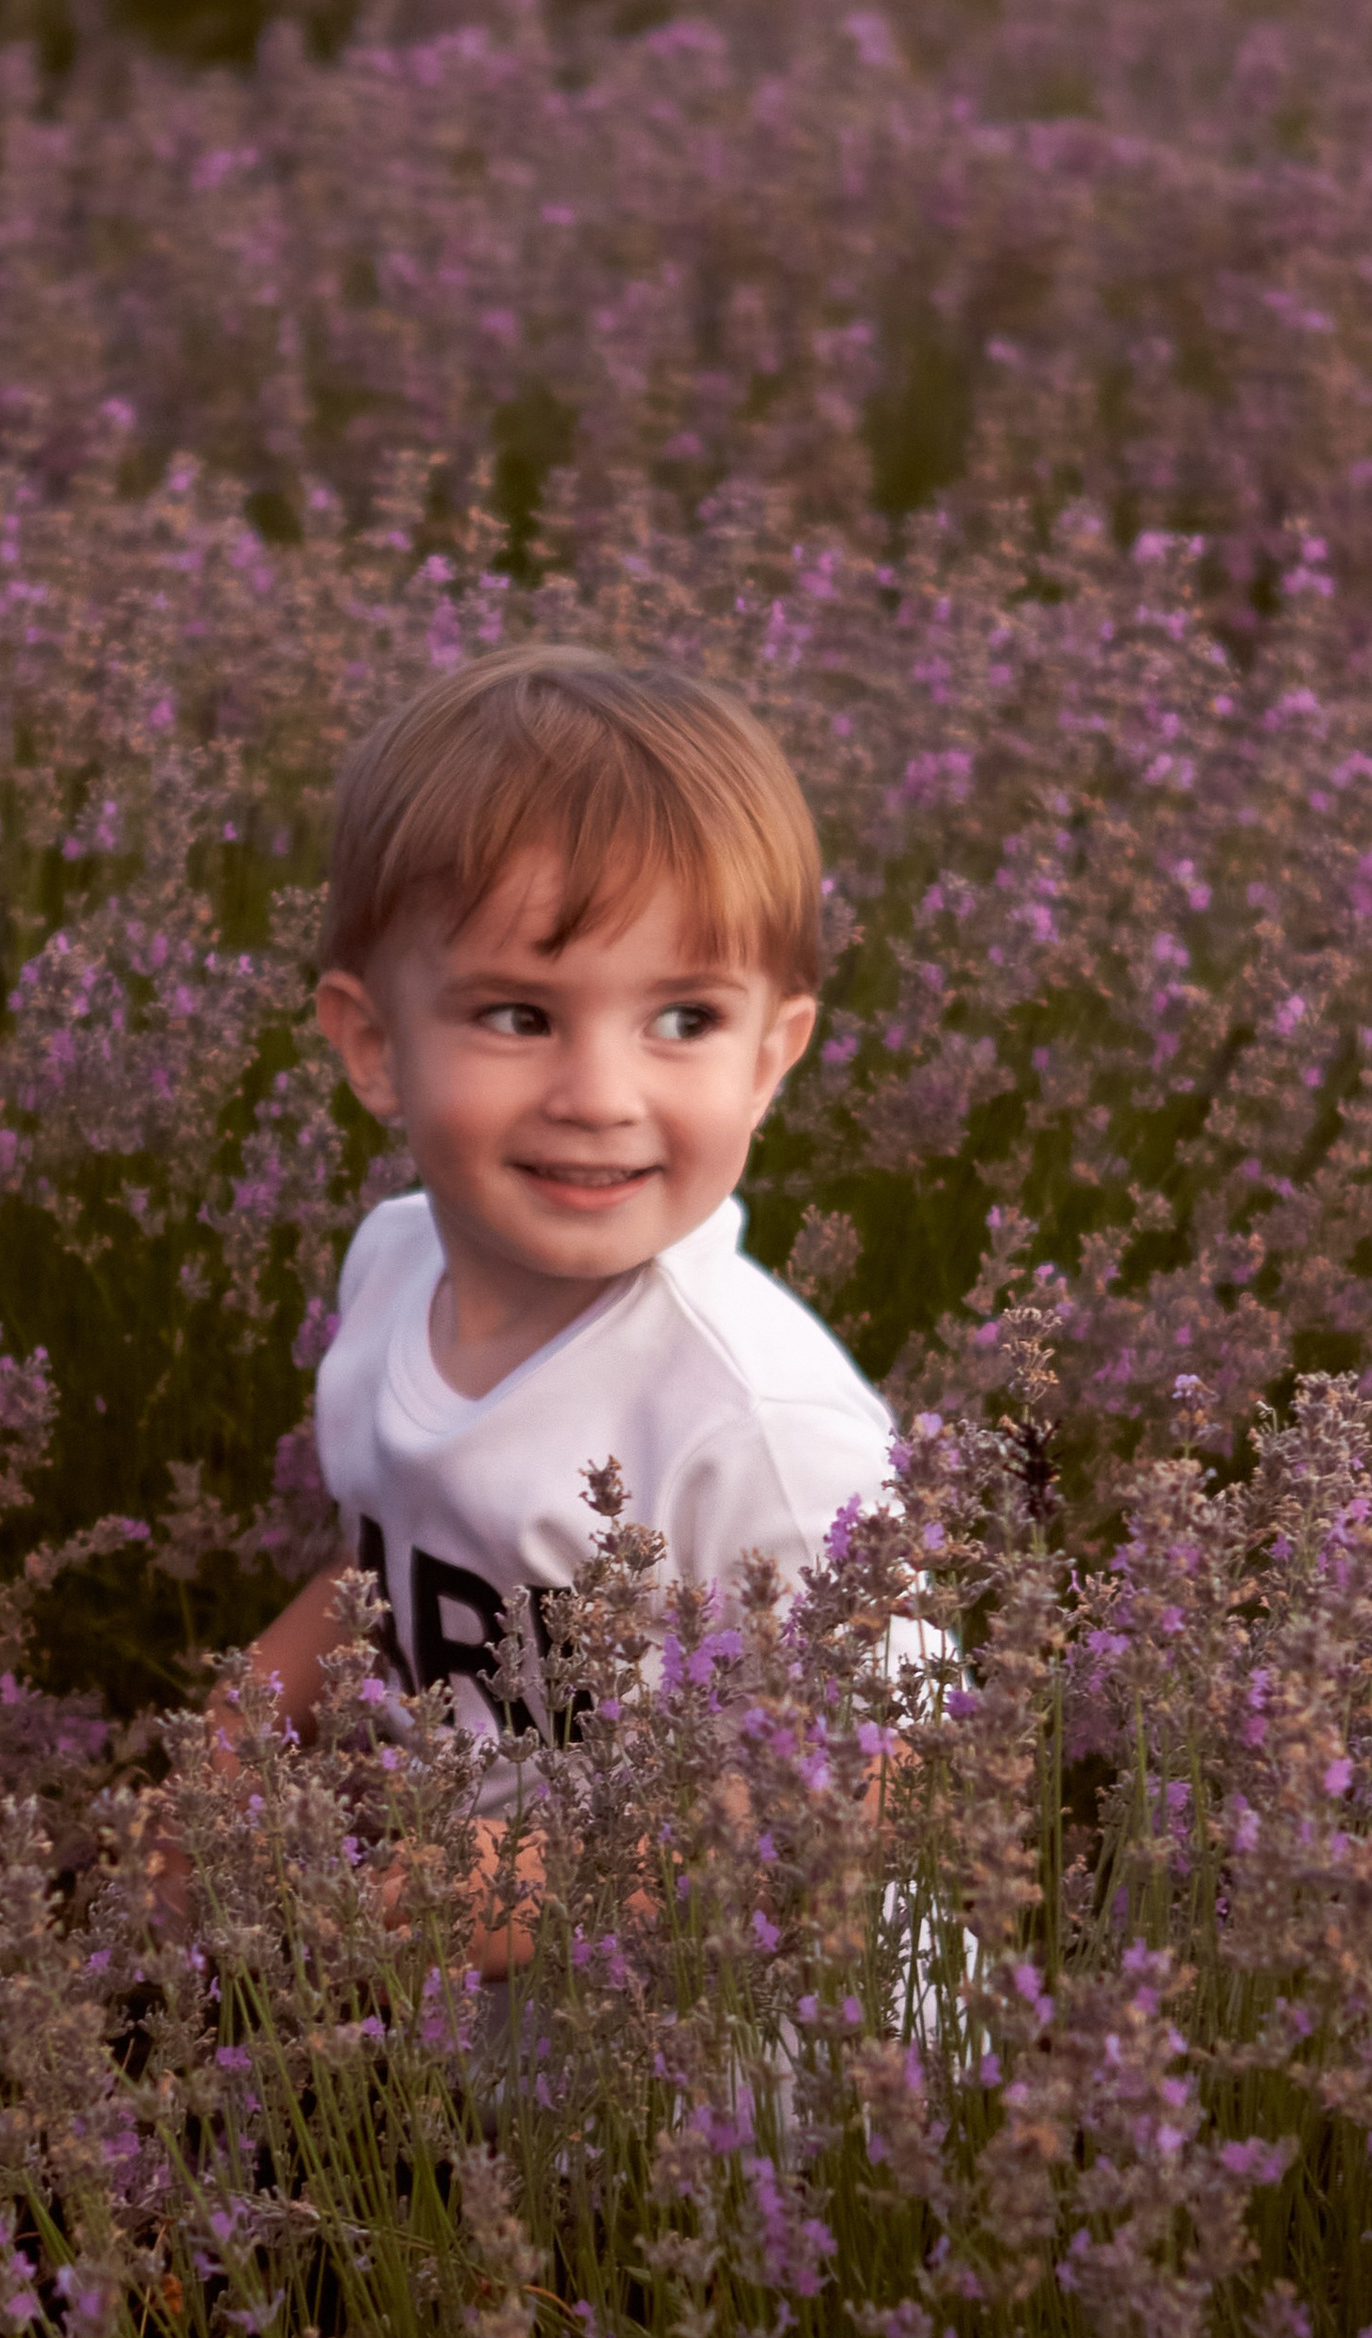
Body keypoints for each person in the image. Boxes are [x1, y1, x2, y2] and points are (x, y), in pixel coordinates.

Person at [199, 642, 909, 1983]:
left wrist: (562, 1881)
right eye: (519, 1014)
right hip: (488, 2039)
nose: (599, 1092)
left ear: (774, 1058)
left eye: (683, 1019)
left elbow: (894, 1776)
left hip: (752, 2081)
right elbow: (395, 1564)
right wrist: (235, 1738)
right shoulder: (395, 1272)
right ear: (372, 1047)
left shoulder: (756, 1422)